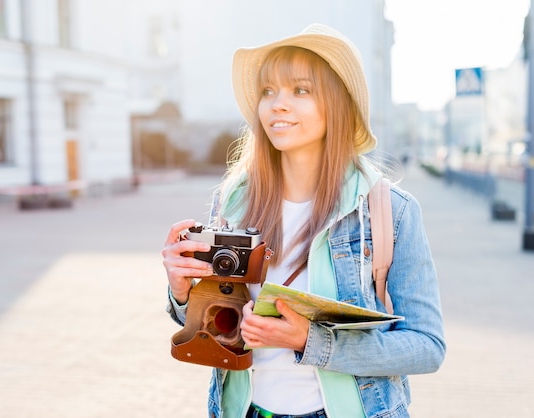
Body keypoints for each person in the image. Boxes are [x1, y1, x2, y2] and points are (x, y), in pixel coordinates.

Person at [162, 23, 445, 418]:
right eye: (267, 91)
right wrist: (181, 290)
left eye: (300, 90)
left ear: (337, 104)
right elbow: (209, 320)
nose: (277, 104)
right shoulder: (231, 201)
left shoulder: (390, 210)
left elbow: (427, 346)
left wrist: (310, 341)